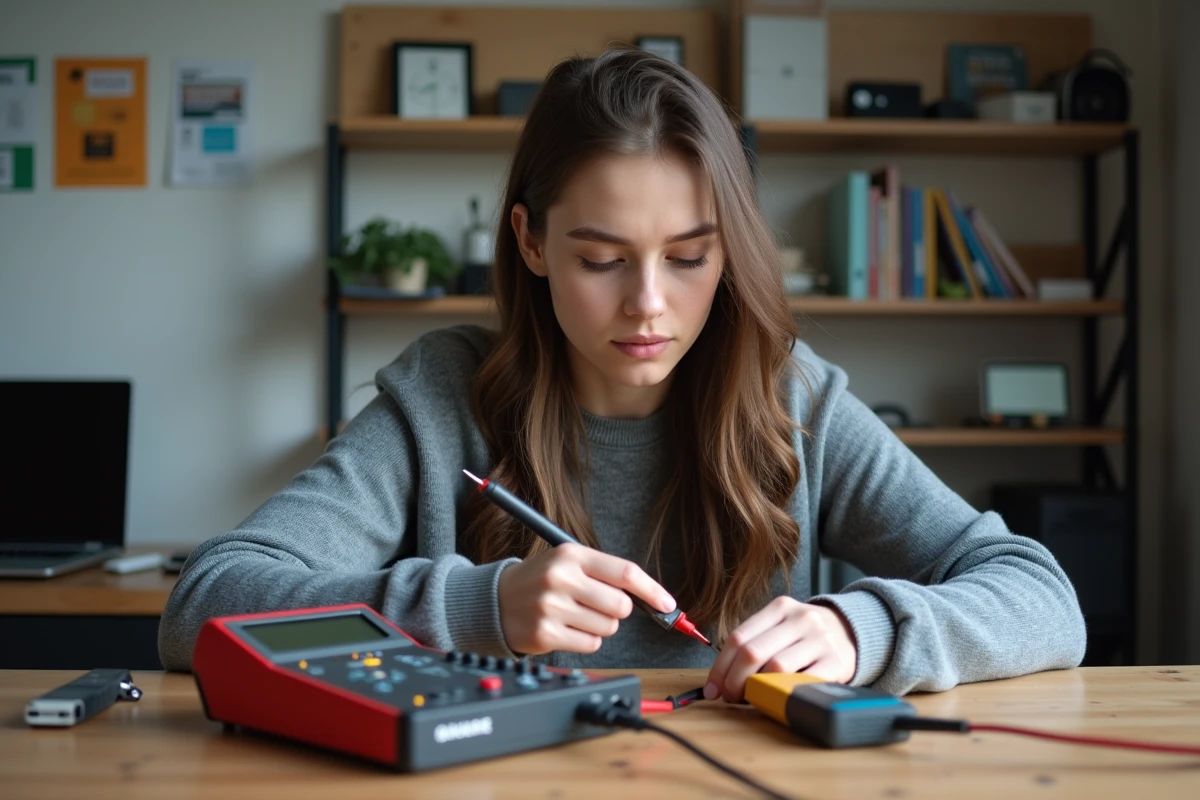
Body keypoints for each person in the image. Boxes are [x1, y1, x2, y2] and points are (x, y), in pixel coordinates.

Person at [158, 49, 1085, 701]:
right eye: (602, 260)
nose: (649, 305)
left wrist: (860, 632)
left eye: (689, 258)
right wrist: (477, 605)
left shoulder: (792, 398)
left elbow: (1041, 596)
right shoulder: (442, 399)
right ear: (530, 241)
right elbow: (204, 604)